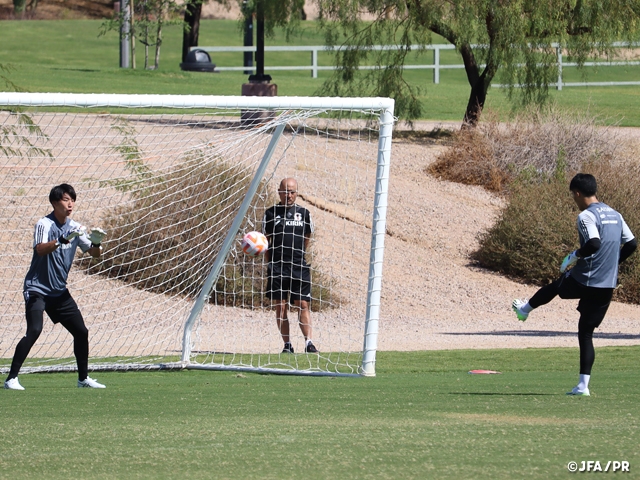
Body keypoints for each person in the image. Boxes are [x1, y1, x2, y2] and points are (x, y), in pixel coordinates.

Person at [512, 173, 637, 396]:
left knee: (556, 286)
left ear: (577, 193)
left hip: (586, 278)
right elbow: (632, 244)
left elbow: (594, 243)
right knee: (586, 333)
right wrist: (613, 263)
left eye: (573, 195)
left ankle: (524, 309)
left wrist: (574, 255)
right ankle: (582, 386)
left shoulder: (586, 216)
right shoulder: (615, 214)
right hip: (607, 284)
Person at [4, 184, 108, 390]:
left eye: (73, 200)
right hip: (37, 289)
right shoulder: (44, 224)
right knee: (35, 329)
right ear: (54, 202)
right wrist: (61, 239)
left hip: (59, 292)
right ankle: (11, 379)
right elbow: (40, 249)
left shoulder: (75, 228)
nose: (70, 204)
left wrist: (96, 243)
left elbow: (94, 255)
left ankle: (83, 379)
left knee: (81, 332)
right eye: (66, 200)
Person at [263, 177, 318, 354]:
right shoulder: (270, 213)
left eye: (292, 192)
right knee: (281, 305)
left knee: (303, 304)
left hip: (298, 266)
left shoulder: (304, 213)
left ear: (296, 193)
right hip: (278, 267)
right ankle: (287, 345)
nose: (289, 195)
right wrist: (271, 262)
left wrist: (298, 254)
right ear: (279, 192)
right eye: (285, 191)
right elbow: (265, 242)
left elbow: (307, 238)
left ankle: (309, 343)